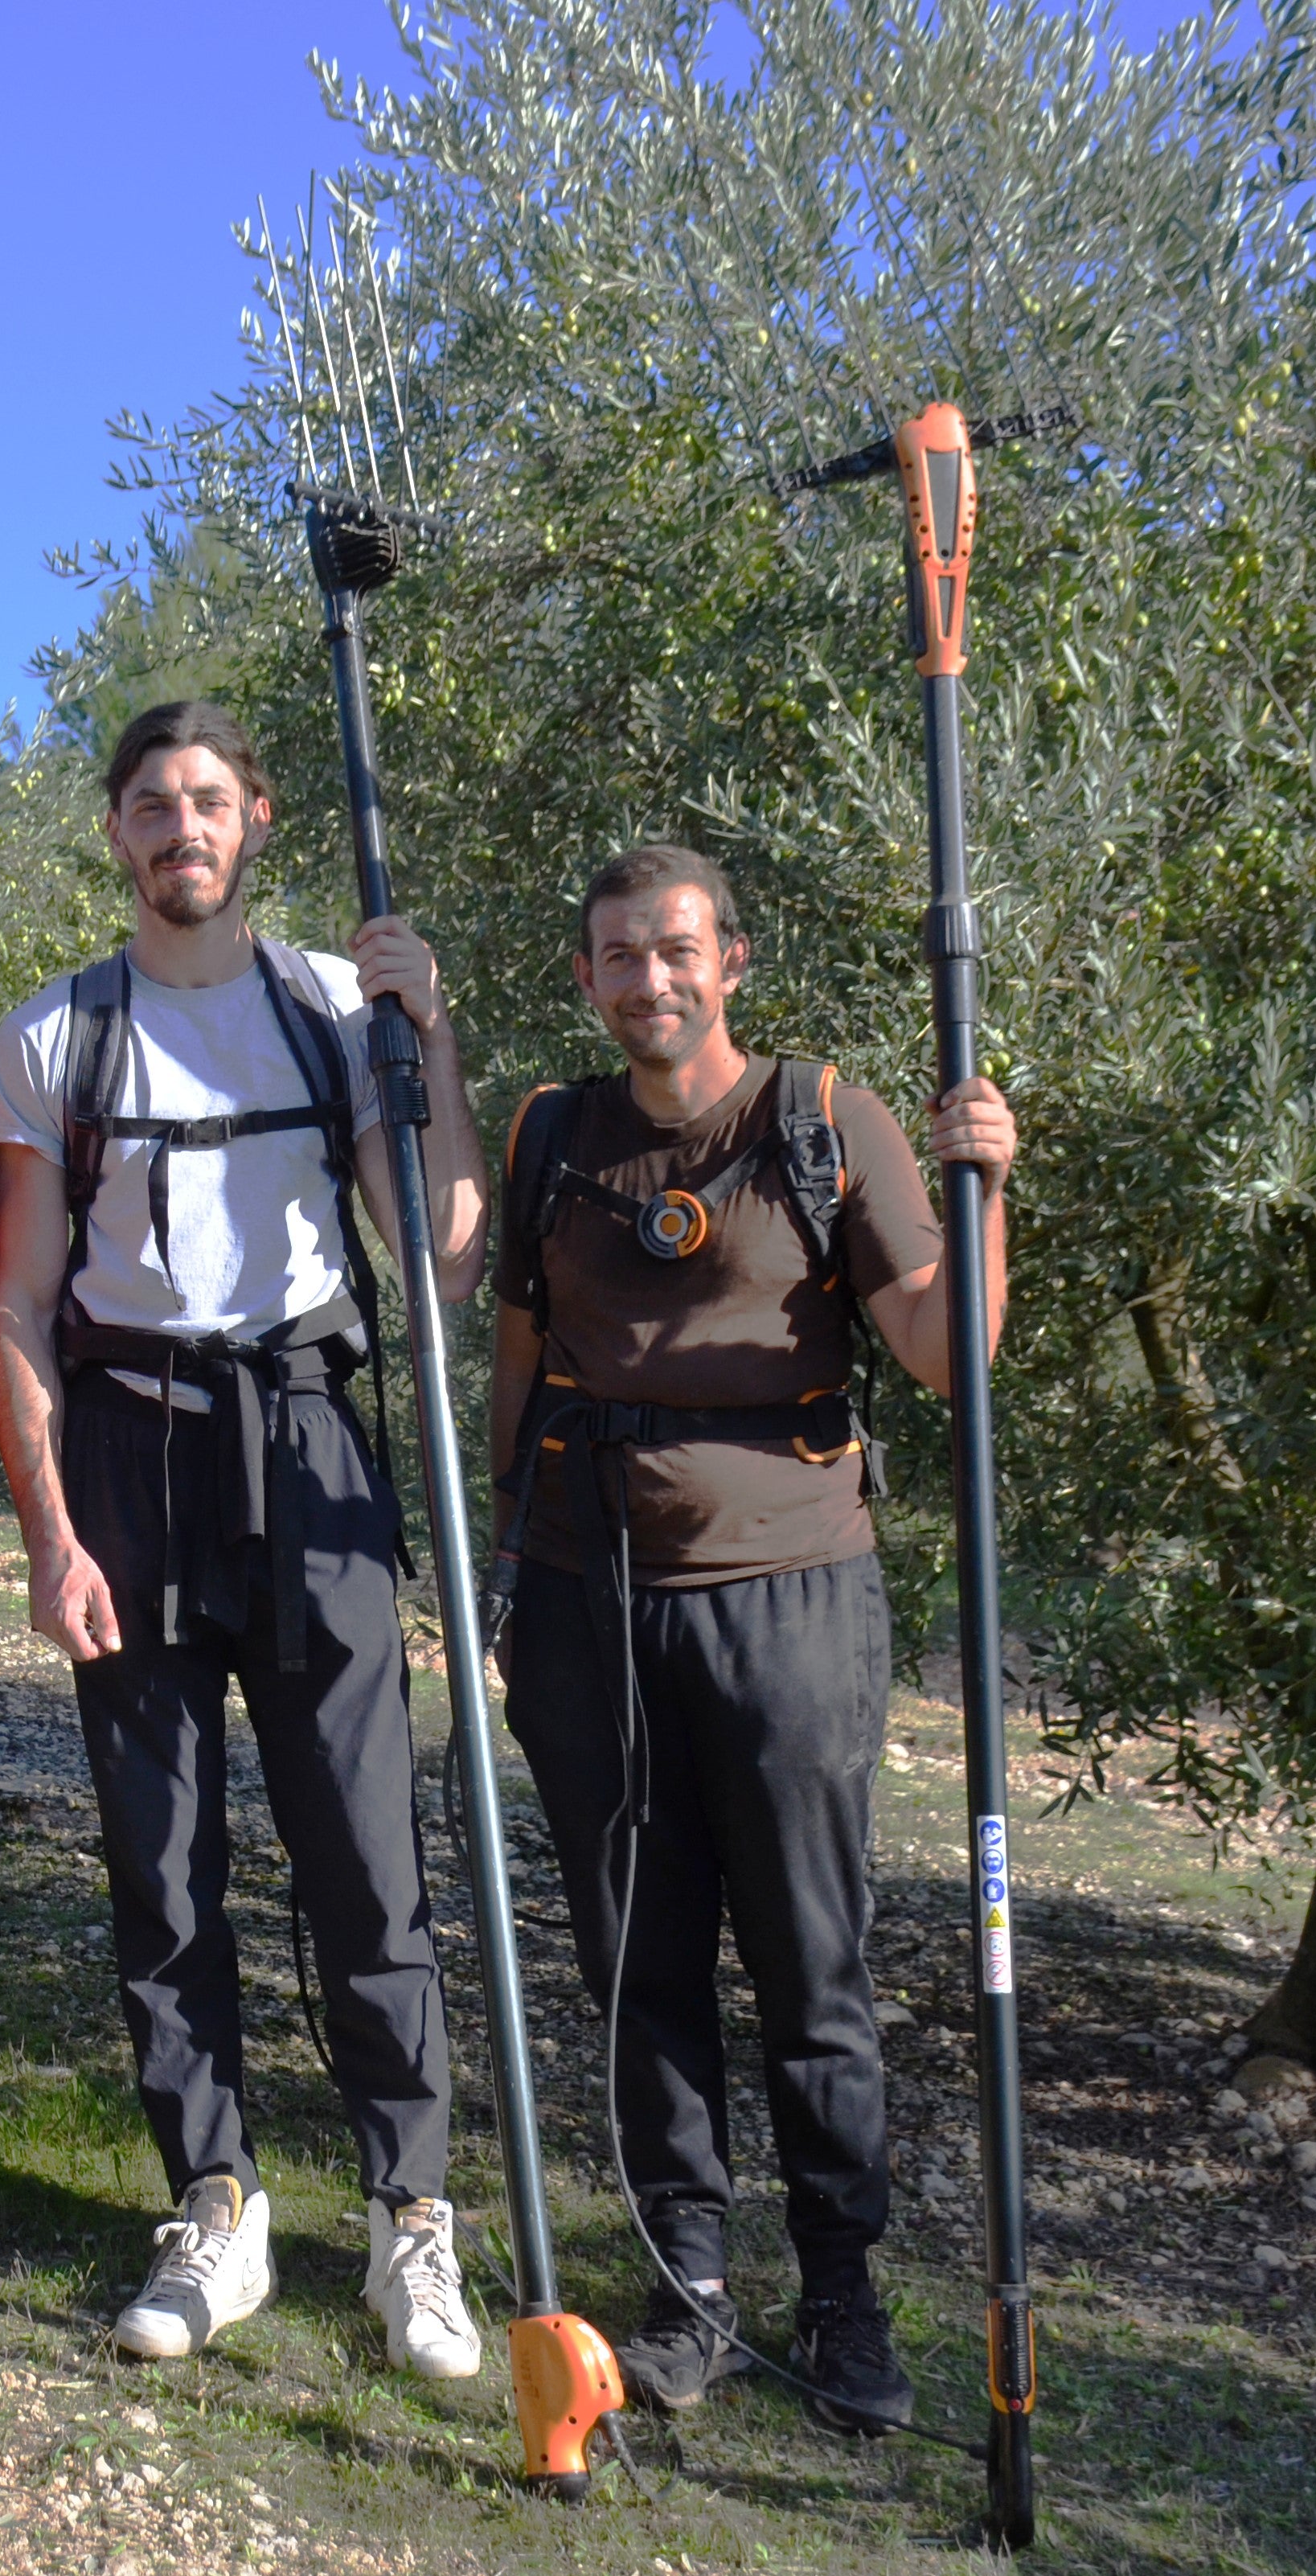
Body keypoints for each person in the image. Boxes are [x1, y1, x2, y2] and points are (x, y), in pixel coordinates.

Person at [0, 699, 489, 2380]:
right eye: (151, 804)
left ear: (256, 818)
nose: (180, 828)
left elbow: (442, 1256)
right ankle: (214, 2200)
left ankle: (410, 2214)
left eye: (207, 800)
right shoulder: (57, 1034)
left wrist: (432, 1043)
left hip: (310, 1441)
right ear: (116, 833)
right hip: (129, 1450)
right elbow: (18, 1305)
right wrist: (50, 1533)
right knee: (160, 1855)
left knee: (363, 1846)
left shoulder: (338, 1008)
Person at [486, 842, 1016, 2437]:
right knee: (636, 1959)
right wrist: (501, 1562)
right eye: (618, 955)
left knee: (808, 1956)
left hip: (790, 1599)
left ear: (730, 961)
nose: (648, 979)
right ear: (585, 978)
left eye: (675, 950)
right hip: (586, 1597)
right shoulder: (551, 1134)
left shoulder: (825, 1118)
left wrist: (989, 1191)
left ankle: (843, 2298)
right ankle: (689, 2288)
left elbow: (946, 1352)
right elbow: (518, 1357)